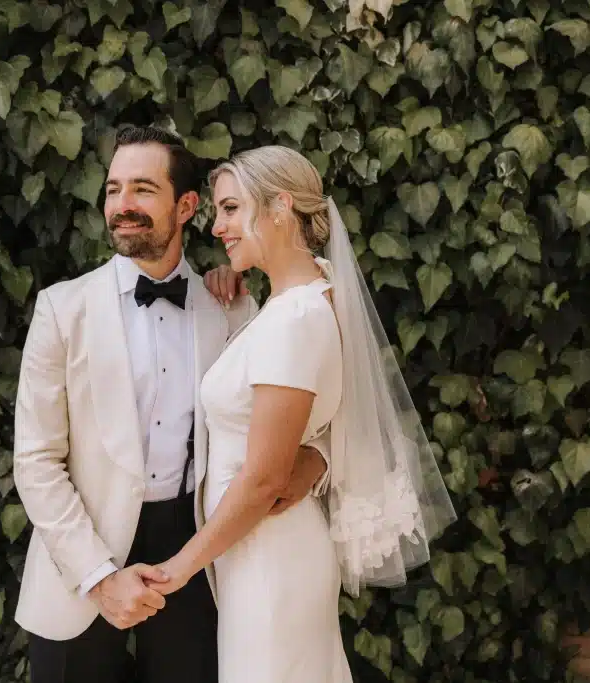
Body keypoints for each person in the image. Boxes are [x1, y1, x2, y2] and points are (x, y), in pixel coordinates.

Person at [11, 126, 332, 683]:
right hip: (79, 557)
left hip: (197, 551)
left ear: (186, 206)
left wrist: (316, 462)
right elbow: (35, 462)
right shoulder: (61, 310)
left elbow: (300, 404)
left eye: (141, 189)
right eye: (112, 190)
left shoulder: (231, 307)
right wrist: (98, 576)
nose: (121, 206)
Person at [145, 146, 458, 683]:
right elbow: (319, 424)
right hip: (257, 553)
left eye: (230, 209)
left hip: (272, 559)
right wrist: (315, 457)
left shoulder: (295, 318)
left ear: (280, 207)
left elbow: (264, 478)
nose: (217, 226)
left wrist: (177, 570)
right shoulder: (299, 299)